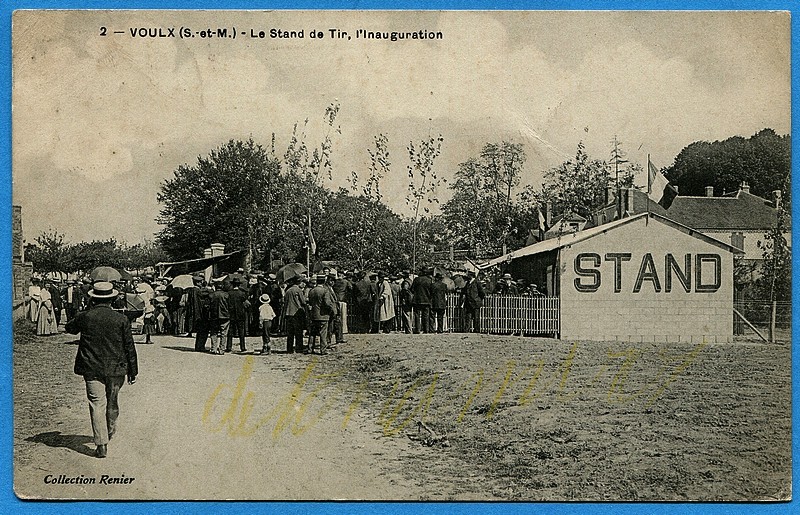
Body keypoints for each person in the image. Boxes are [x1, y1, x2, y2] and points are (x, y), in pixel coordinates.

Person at [64, 281, 138, 459]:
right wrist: (133, 371)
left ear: (93, 298)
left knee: (97, 404)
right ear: (112, 299)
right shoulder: (121, 319)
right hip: (116, 368)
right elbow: (129, 346)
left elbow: (69, 328)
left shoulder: (85, 316)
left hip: (92, 367)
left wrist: (87, 309)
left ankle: (101, 444)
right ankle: (110, 430)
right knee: (112, 401)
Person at [307, 274, 337, 355]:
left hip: (314, 314)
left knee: (312, 333)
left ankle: (310, 349)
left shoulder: (312, 291)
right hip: (323, 315)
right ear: (324, 281)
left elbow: (309, 302)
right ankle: (323, 350)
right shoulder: (324, 291)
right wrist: (332, 310)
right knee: (323, 333)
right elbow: (327, 303)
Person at [282, 276, 307, 354]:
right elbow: (303, 302)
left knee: (290, 333)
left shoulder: (288, 290)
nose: (304, 285)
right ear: (300, 282)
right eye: (303, 283)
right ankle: (299, 348)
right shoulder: (298, 290)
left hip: (288, 313)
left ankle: (289, 349)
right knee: (298, 332)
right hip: (296, 313)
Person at [226, 278, 250, 353]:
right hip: (240, 314)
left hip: (231, 313)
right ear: (239, 285)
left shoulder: (229, 293)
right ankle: (242, 347)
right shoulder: (242, 293)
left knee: (230, 331)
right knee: (241, 331)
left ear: (232, 284)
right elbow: (247, 303)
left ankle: (229, 347)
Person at [207, 279, 230, 355]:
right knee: (224, 333)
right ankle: (221, 349)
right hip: (225, 316)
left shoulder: (211, 295)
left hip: (214, 316)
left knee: (214, 333)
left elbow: (207, 306)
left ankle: (213, 348)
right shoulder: (226, 295)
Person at [411, 268, 433, 334]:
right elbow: (431, 291)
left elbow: (412, 289)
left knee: (417, 315)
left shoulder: (416, 279)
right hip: (426, 300)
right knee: (425, 316)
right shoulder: (429, 280)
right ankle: (426, 329)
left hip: (417, 300)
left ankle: (417, 329)